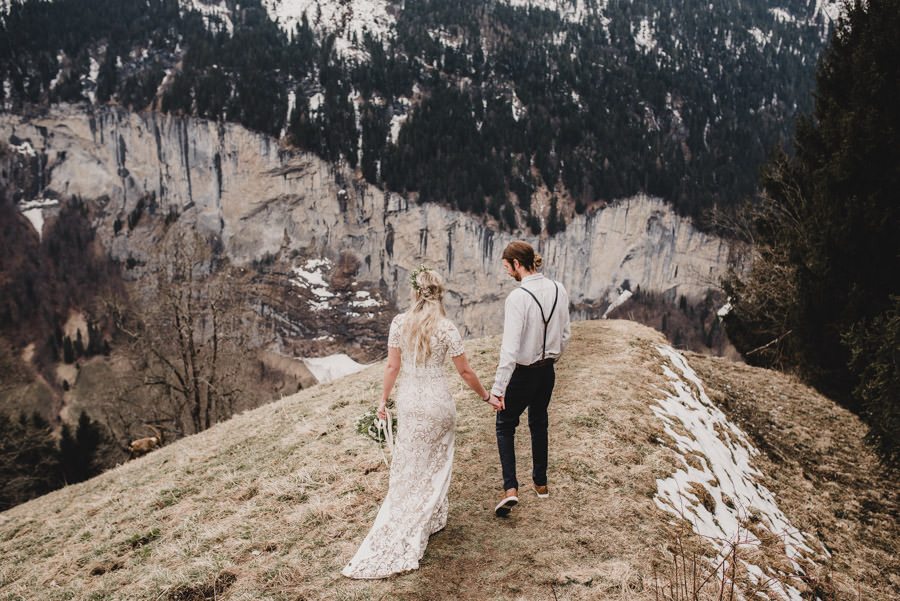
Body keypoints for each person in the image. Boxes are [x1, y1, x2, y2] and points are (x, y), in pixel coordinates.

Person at [342, 266, 500, 579]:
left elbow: (391, 365)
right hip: (438, 405)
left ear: (415, 292)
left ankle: (416, 517)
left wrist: (382, 401)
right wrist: (486, 397)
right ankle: (430, 517)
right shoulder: (446, 328)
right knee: (437, 463)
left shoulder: (399, 323)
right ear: (439, 294)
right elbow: (465, 372)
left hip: (411, 403)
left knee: (409, 464)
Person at [490, 241, 571, 517]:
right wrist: (551, 358)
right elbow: (566, 334)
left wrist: (498, 389)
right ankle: (541, 484)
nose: (507, 272)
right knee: (539, 421)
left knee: (505, 425)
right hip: (547, 370)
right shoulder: (559, 289)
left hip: (523, 373)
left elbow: (510, 349)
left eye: (507, 267)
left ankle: (510, 490)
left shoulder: (518, 298)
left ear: (516, 264)